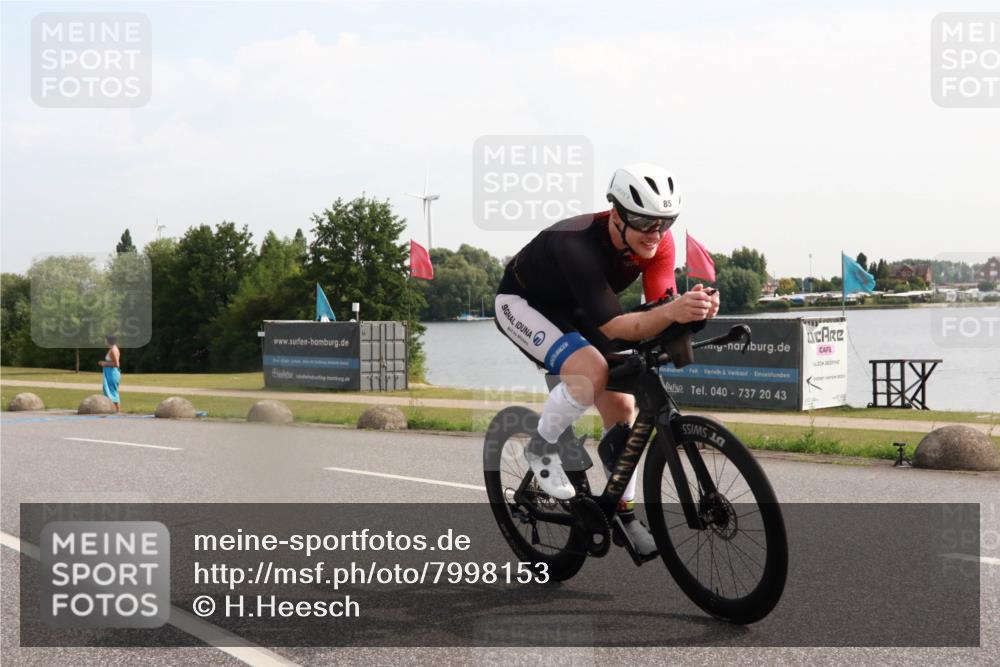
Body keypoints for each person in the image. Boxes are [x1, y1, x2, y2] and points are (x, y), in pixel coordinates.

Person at [494, 163, 721, 556]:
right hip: (524, 303)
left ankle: (623, 511)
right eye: (645, 223)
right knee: (591, 371)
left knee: (623, 400)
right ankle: (541, 446)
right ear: (617, 215)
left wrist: (694, 312)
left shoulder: (659, 245)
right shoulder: (577, 243)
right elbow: (616, 326)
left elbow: (660, 309)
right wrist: (672, 312)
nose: (655, 235)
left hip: (581, 308)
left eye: (664, 223)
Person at [98, 334, 121, 413]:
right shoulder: (113, 348)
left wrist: (104, 363)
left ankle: (117, 412)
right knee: (110, 392)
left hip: (112, 374)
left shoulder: (113, 350)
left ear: (109, 341)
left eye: (105, 339)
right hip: (110, 373)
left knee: (112, 393)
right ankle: (113, 410)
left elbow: (117, 364)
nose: (104, 341)